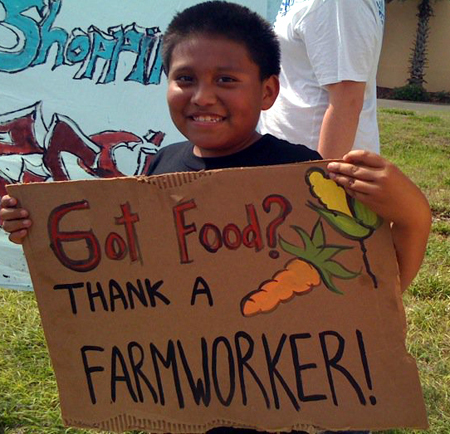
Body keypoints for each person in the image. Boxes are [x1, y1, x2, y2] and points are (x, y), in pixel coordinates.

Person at [0, 2, 431, 433]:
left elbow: (371, 291)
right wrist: (41, 232)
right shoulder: (158, 170)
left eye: (226, 80)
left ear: (267, 91)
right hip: (203, 404)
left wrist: (413, 212)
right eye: (185, 79)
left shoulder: (302, 176)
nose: (203, 96)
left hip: (305, 407)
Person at [260, 0, 385, 159]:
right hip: (291, 165)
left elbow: (347, 98)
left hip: (310, 172)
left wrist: (323, 179)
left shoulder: (339, 4)